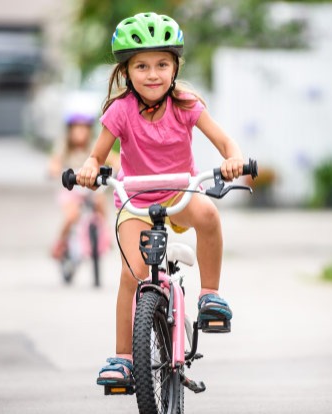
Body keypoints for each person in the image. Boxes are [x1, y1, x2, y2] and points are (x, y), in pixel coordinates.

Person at [73, 12, 247, 387]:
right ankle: (122, 358)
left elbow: (225, 142)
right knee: (132, 273)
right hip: (135, 201)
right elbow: (96, 155)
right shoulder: (120, 110)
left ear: (175, 66)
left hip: (180, 193)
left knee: (210, 216)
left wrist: (232, 159)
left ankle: (210, 296)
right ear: (126, 72)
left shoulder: (185, 104)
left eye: (162, 64)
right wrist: (90, 168)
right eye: (142, 66)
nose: (153, 74)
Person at [49, 108, 108, 260]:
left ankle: (104, 235)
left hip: (90, 189)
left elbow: (111, 158)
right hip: (71, 189)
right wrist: (54, 169)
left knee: (101, 204)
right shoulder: (64, 147)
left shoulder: (93, 147)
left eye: (84, 128)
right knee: (72, 215)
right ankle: (60, 242)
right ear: (70, 131)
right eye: (76, 128)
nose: (80, 132)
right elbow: (55, 162)